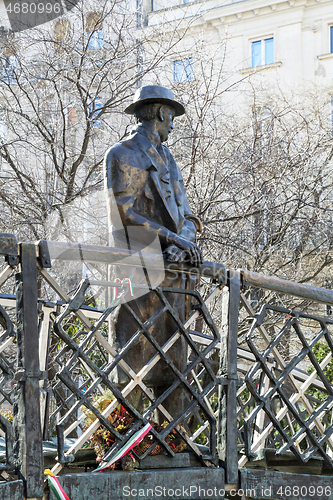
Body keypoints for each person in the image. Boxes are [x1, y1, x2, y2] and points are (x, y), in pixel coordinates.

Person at [104, 85, 202, 420]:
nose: (173, 125)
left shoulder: (169, 158)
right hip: (137, 271)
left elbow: (188, 215)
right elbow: (124, 214)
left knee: (175, 365)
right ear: (161, 113)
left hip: (176, 276)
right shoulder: (124, 153)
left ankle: (172, 441)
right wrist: (173, 241)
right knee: (131, 362)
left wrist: (183, 240)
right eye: (171, 116)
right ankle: (121, 446)